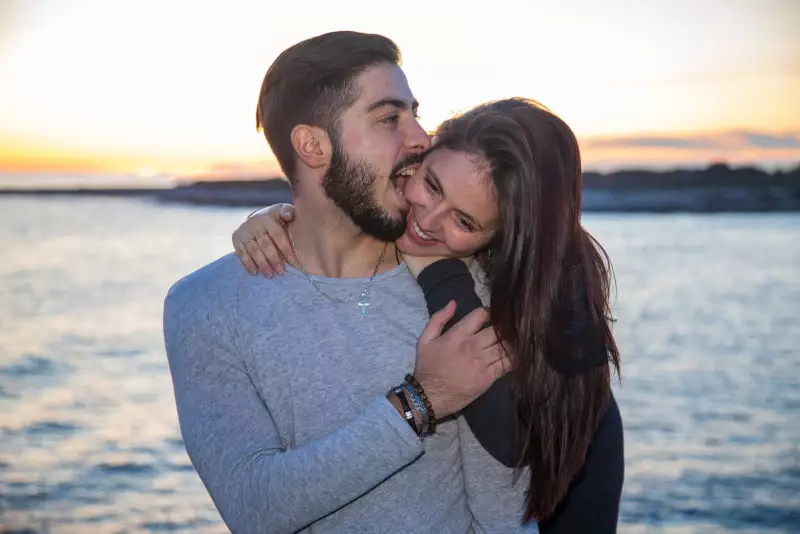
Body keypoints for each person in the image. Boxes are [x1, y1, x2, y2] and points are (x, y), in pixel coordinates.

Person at [164, 31, 518, 534]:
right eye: (390, 118)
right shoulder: (205, 305)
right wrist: (424, 399)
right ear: (312, 145)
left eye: (416, 113)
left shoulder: (463, 283)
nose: (421, 138)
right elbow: (255, 508)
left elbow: (506, 512)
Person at [232, 97, 625, 531]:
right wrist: (276, 218)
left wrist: (439, 271)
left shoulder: (554, 288)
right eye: (433, 185)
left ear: (506, 237)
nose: (427, 219)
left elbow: (507, 442)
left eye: (465, 222)